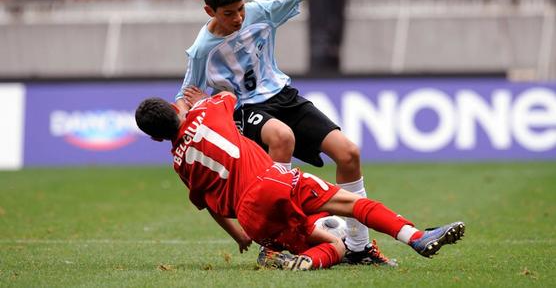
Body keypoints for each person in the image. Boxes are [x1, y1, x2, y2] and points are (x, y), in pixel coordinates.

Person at [174, 0, 388, 265]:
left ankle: (359, 247)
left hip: (284, 97)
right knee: (282, 137)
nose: (237, 18)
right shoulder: (201, 51)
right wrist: (178, 117)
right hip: (246, 110)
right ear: (209, 10)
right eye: (228, 13)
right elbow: (185, 96)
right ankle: (275, 239)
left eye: (240, 10)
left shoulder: (260, 11)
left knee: (349, 153)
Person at [135, 93, 466, 270]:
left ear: (154, 139)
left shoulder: (179, 163)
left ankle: (304, 261)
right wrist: (189, 102)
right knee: (354, 204)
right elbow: (226, 95)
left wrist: (239, 235)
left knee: (333, 245)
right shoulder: (207, 110)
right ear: (172, 108)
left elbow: (209, 204)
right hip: (270, 181)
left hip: (251, 220)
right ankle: (417, 237)